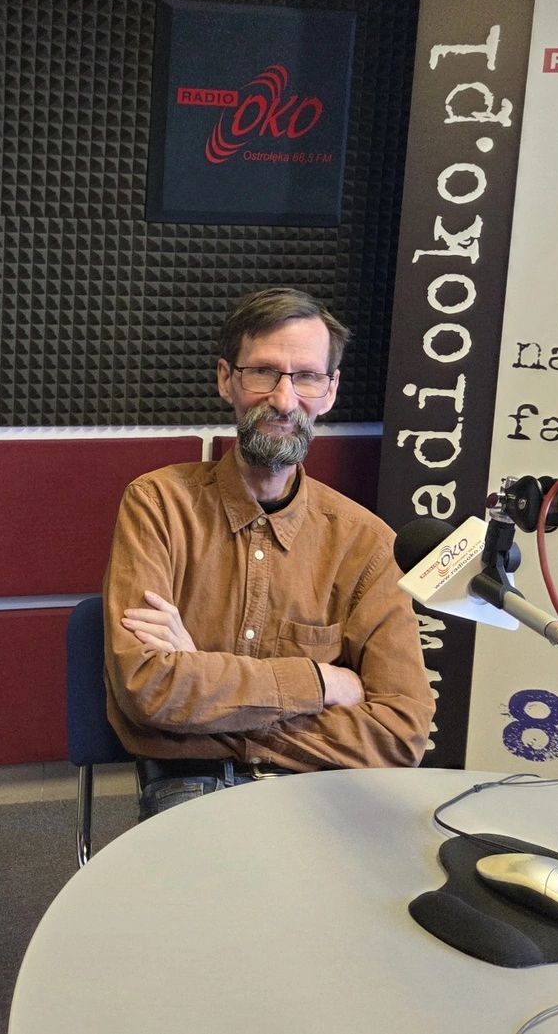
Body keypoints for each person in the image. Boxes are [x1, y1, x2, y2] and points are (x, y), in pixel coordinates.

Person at [102, 287, 435, 820]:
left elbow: (400, 736)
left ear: (330, 391)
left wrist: (204, 692)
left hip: (324, 791)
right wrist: (322, 683)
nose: (284, 400)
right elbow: (148, 690)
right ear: (226, 379)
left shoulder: (368, 543)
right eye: (263, 373)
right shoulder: (158, 504)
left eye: (307, 377)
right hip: (195, 785)